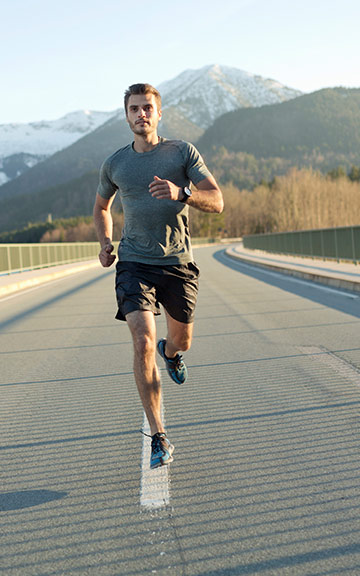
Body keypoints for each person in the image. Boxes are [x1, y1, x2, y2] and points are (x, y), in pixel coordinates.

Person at [93, 83, 224, 469]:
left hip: (178, 262)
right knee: (142, 340)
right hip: (133, 262)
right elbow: (102, 206)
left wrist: (182, 193)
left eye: (147, 108)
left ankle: (173, 353)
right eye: (134, 109)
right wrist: (105, 241)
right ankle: (159, 436)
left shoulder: (181, 152)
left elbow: (216, 201)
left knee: (178, 340)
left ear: (159, 113)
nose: (141, 114)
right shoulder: (115, 164)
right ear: (127, 115)